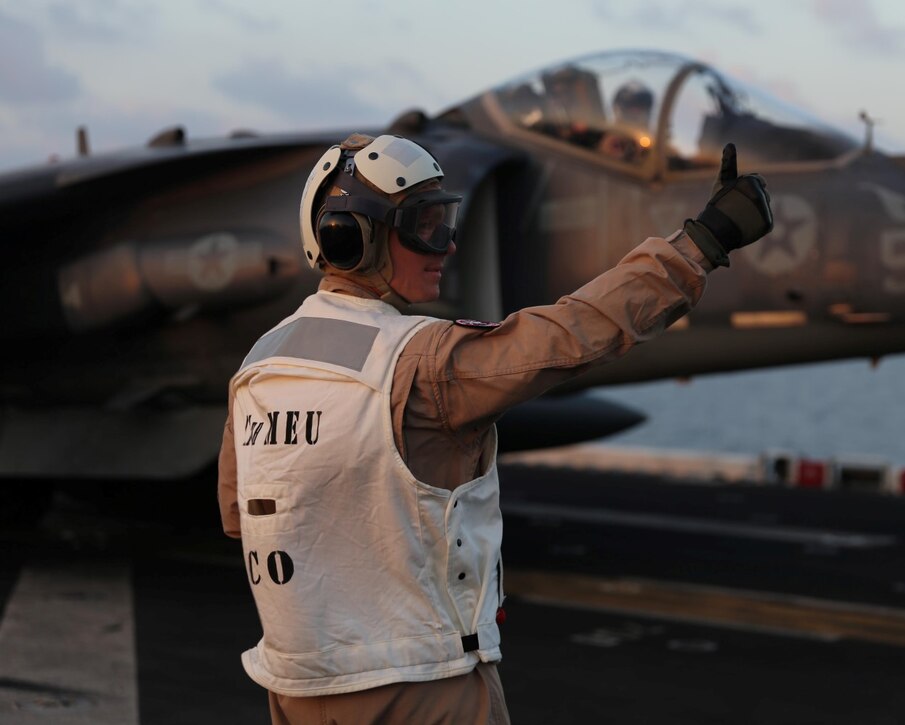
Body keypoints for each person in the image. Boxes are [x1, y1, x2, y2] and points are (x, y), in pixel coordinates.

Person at [217, 132, 772, 724]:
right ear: (353, 237)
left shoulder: (260, 366)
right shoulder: (420, 362)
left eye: (444, 221)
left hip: (297, 690)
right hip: (422, 691)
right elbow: (572, 336)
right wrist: (701, 245)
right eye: (424, 226)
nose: (447, 244)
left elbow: (238, 515)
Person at [598, 80, 655, 162]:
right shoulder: (603, 135)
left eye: (640, 108)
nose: (636, 113)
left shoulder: (654, 144)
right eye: (632, 108)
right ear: (619, 108)